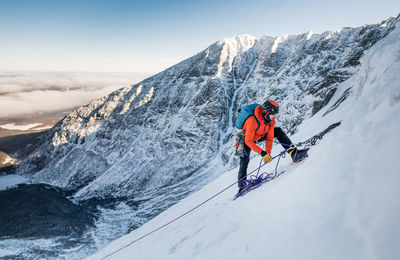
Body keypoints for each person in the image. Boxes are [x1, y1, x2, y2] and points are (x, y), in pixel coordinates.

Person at [237, 100, 309, 193]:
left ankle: (294, 154)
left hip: (260, 134)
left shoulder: (270, 120)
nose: (275, 116)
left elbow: (270, 137)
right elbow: (248, 141)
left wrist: (268, 153)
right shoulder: (252, 121)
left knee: (278, 131)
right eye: (273, 114)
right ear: (266, 113)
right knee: (244, 159)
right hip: (246, 138)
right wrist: (263, 153)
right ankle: (242, 186)